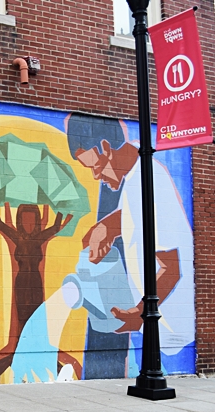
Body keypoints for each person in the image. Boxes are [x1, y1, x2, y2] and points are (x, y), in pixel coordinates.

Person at [66, 113, 194, 377]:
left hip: (172, 334)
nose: (95, 176)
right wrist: (105, 228)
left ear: (105, 148)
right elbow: (135, 215)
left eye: (95, 167)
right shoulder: (137, 172)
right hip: (159, 330)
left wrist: (139, 314)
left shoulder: (149, 182)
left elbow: (171, 269)